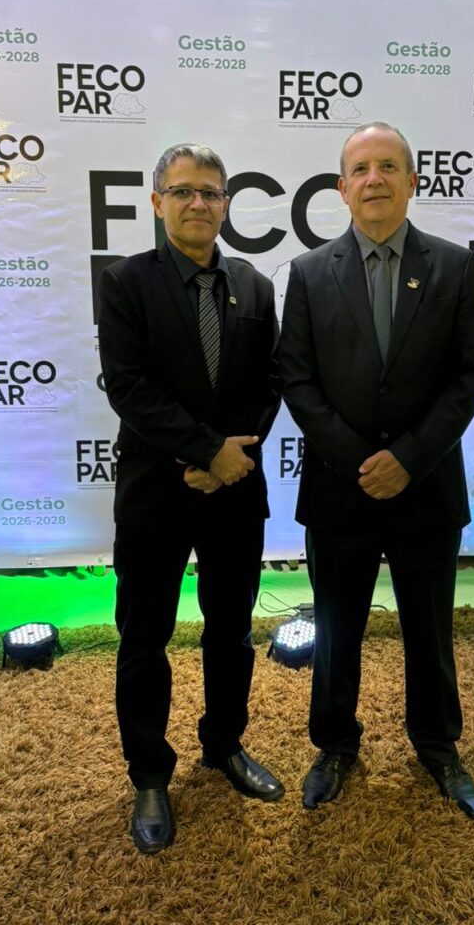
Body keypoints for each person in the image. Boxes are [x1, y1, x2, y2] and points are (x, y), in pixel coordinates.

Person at [279, 122, 474, 819]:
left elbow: (469, 377)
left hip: (426, 488)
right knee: (336, 630)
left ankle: (437, 745)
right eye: (361, 169)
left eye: (389, 166)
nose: (375, 179)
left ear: (412, 181)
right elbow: (297, 380)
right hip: (339, 490)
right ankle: (335, 745)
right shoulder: (308, 273)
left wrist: (408, 460)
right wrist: (360, 462)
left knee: (429, 630)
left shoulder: (453, 267)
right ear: (342, 189)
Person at [98, 143, 284, 855]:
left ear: (226, 205)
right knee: (144, 638)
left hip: (234, 491)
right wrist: (209, 452)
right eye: (182, 191)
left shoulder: (254, 286)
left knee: (231, 631)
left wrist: (231, 463)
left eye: (210, 192)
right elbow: (130, 388)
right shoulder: (125, 282)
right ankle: (150, 775)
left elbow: (271, 384)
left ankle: (224, 746)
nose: (197, 203)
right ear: (157, 202)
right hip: (158, 493)